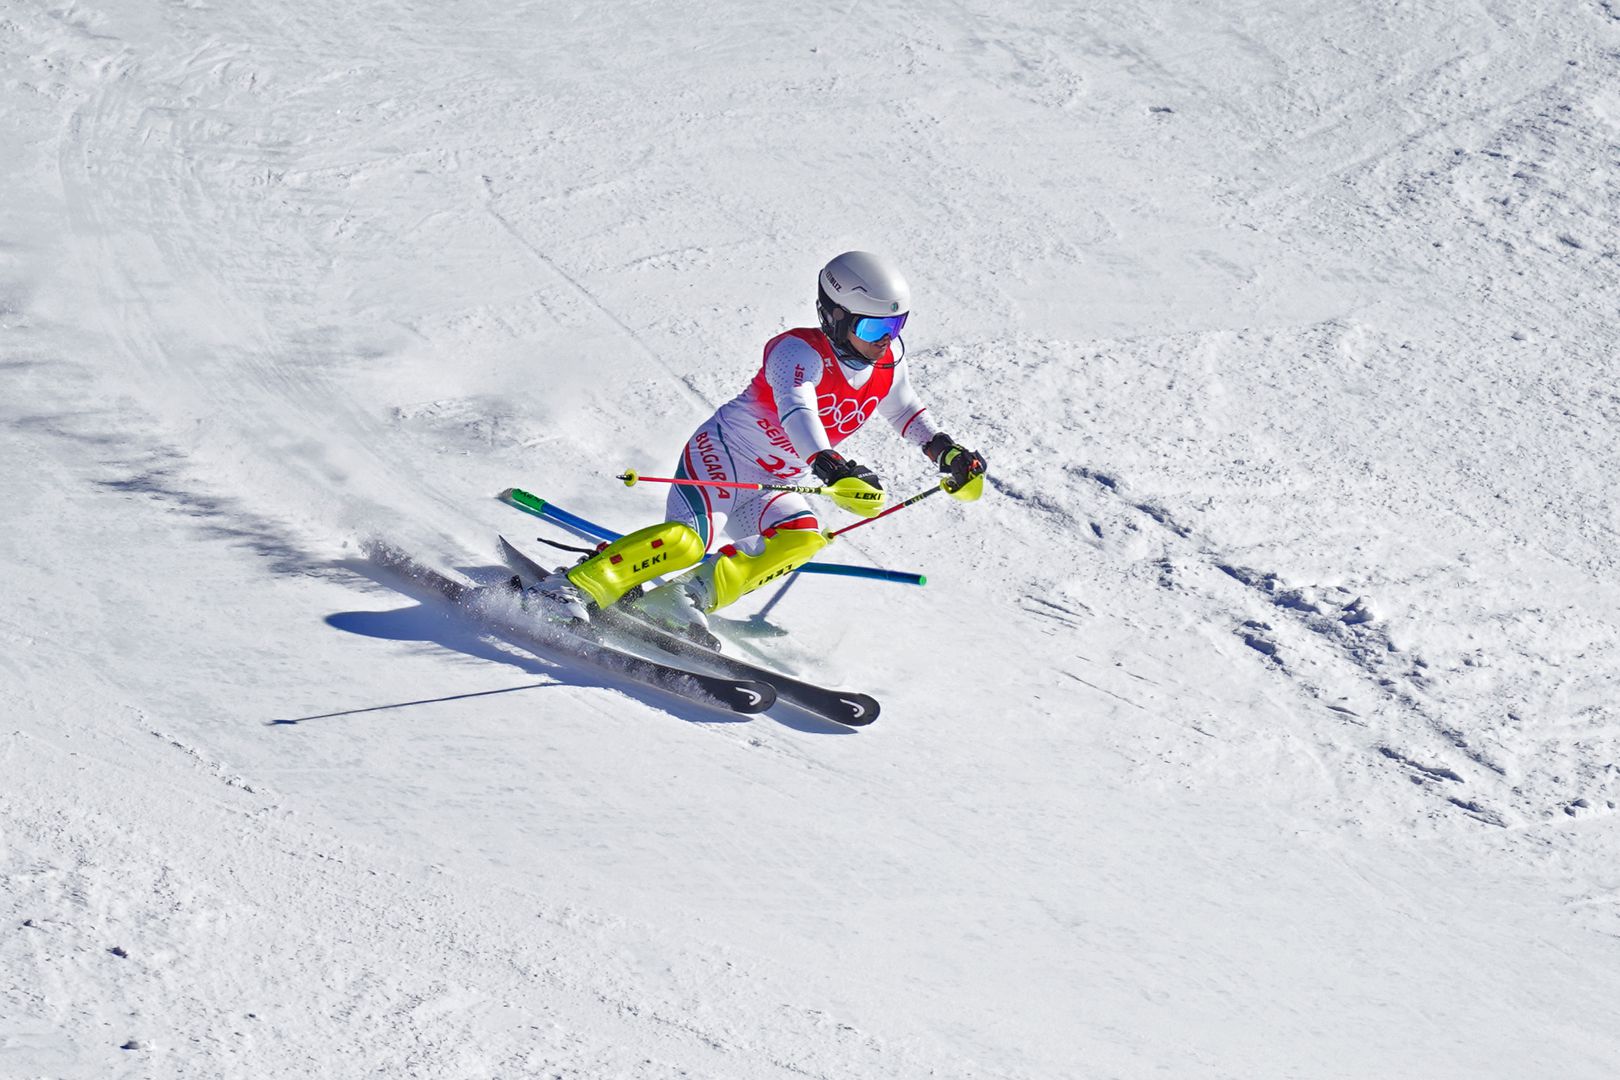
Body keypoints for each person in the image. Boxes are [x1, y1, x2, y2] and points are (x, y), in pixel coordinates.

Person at [529, 250, 987, 637]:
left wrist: (945, 452)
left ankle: (684, 598)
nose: (884, 343)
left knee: (804, 539)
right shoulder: (796, 352)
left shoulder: (889, 361)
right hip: (722, 458)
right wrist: (832, 467)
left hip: (773, 481)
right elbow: (796, 410)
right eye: (872, 331)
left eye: (895, 327)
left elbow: (905, 410)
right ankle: (572, 586)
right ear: (836, 316)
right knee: (688, 542)